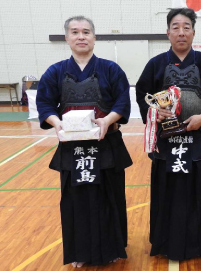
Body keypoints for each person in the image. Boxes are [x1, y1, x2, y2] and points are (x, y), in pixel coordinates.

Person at [136, 8, 201, 261]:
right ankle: (168, 243)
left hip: (197, 138)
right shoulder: (155, 64)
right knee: (167, 191)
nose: (181, 32)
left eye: (186, 27)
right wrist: (154, 113)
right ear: (167, 33)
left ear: (193, 32)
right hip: (165, 141)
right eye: (176, 27)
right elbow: (142, 96)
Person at [36, 16, 132, 267]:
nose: (81, 36)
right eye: (75, 32)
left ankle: (112, 247)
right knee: (74, 201)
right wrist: (58, 124)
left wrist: (107, 119)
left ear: (94, 37)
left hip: (106, 144)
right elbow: (44, 103)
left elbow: (123, 102)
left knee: (109, 197)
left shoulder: (111, 69)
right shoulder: (55, 71)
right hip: (72, 148)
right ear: (67, 38)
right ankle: (79, 251)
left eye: (86, 32)